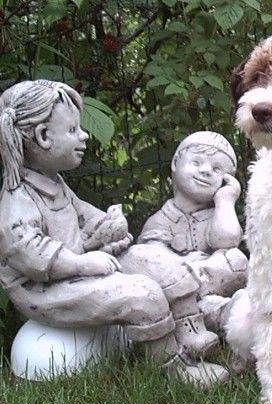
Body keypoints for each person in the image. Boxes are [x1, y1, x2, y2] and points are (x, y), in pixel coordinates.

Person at [0, 80, 228, 386]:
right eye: (72, 131)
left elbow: (83, 214)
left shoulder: (54, 184)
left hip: (77, 268)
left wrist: (108, 227)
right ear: (42, 136)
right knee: (142, 294)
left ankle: (191, 332)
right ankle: (174, 369)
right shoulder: (17, 201)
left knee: (152, 258)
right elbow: (32, 254)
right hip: (42, 290)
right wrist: (82, 264)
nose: (83, 136)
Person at [121, 132, 248, 352]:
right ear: (175, 164)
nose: (206, 170)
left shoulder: (216, 216)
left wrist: (226, 201)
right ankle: (212, 318)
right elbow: (151, 258)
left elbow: (228, 240)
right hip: (172, 292)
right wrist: (186, 269)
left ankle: (224, 314)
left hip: (208, 292)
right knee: (146, 259)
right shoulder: (162, 219)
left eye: (218, 170)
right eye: (196, 162)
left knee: (235, 259)